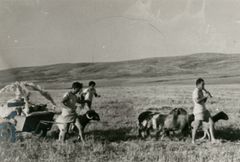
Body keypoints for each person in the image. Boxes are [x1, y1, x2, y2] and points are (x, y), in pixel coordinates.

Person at [191, 78, 216, 144]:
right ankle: (193, 141)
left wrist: (207, 96)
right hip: (198, 111)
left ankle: (213, 139)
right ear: (198, 84)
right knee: (197, 126)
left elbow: (203, 101)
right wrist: (205, 96)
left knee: (211, 123)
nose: (204, 86)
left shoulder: (201, 91)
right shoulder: (195, 91)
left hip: (204, 110)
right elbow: (197, 101)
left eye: (204, 84)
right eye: (202, 84)